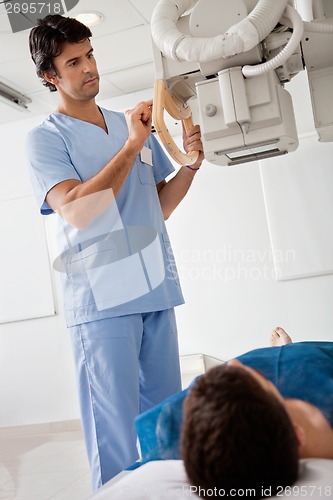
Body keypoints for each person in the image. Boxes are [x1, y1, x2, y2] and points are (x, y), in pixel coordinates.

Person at [26, 14, 203, 490]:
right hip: (102, 301)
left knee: (166, 426)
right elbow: (79, 211)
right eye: (74, 62)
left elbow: (156, 205)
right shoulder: (46, 139)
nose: (89, 68)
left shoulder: (131, 124)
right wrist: (129, 147)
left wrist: (189, 166)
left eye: (90, 55)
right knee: (115, 438)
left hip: (155, 291)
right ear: (50, 76)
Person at [134, 328, 333, 499]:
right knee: (292, 362)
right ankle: (284, 352)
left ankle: (281, 352)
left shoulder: (174, 440)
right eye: (264, 383)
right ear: (298, 435)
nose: (235, 363)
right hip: (308, 363)